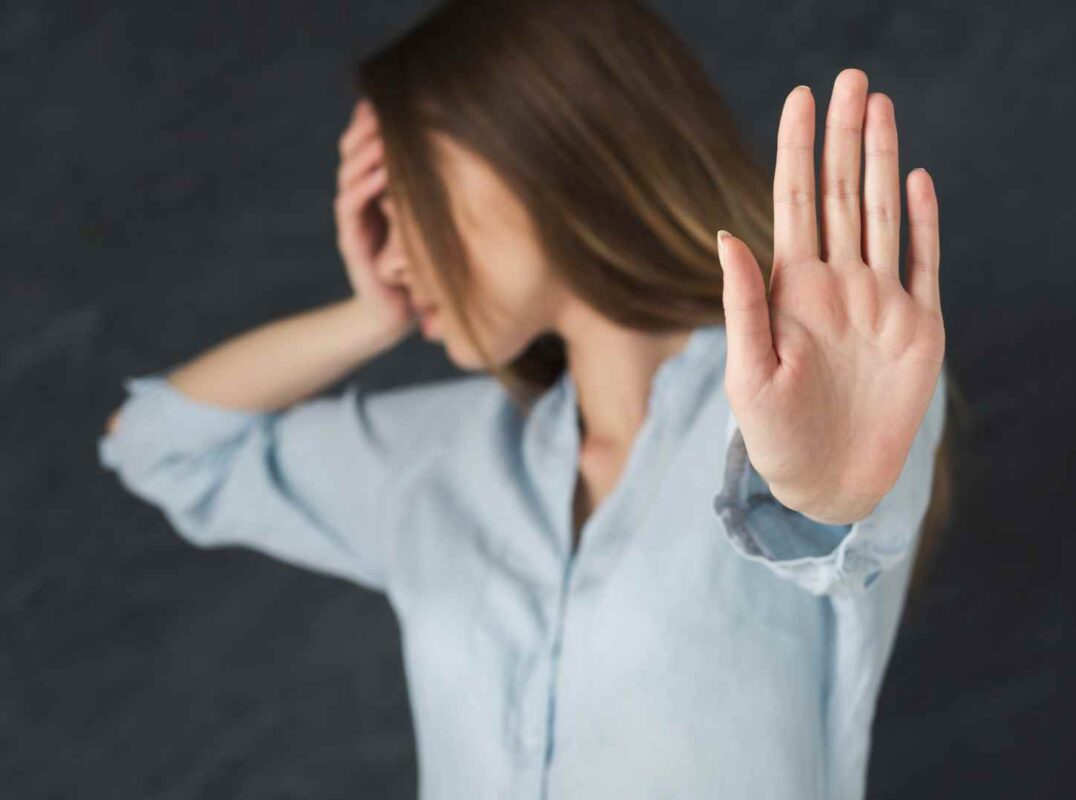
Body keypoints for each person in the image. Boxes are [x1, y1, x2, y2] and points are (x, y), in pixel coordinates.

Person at [97, 0, 960, 797]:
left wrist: (822, 501)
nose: (394, 250)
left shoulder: (821, 396)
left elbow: (835, 513)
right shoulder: (443, 462)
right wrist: (373, 315)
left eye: (408, 195)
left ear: (539, 148)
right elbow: (158, 443)